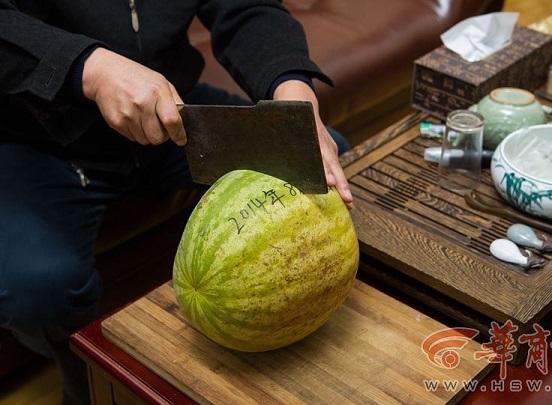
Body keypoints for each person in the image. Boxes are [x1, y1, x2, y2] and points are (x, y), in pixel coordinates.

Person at [0, 1, 354, 403]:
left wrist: (291, 88)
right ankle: (85, 381)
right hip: (38, 138)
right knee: (36, 288)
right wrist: (89, 68)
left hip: (172, 119)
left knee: (326, 165)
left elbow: (245, 7)